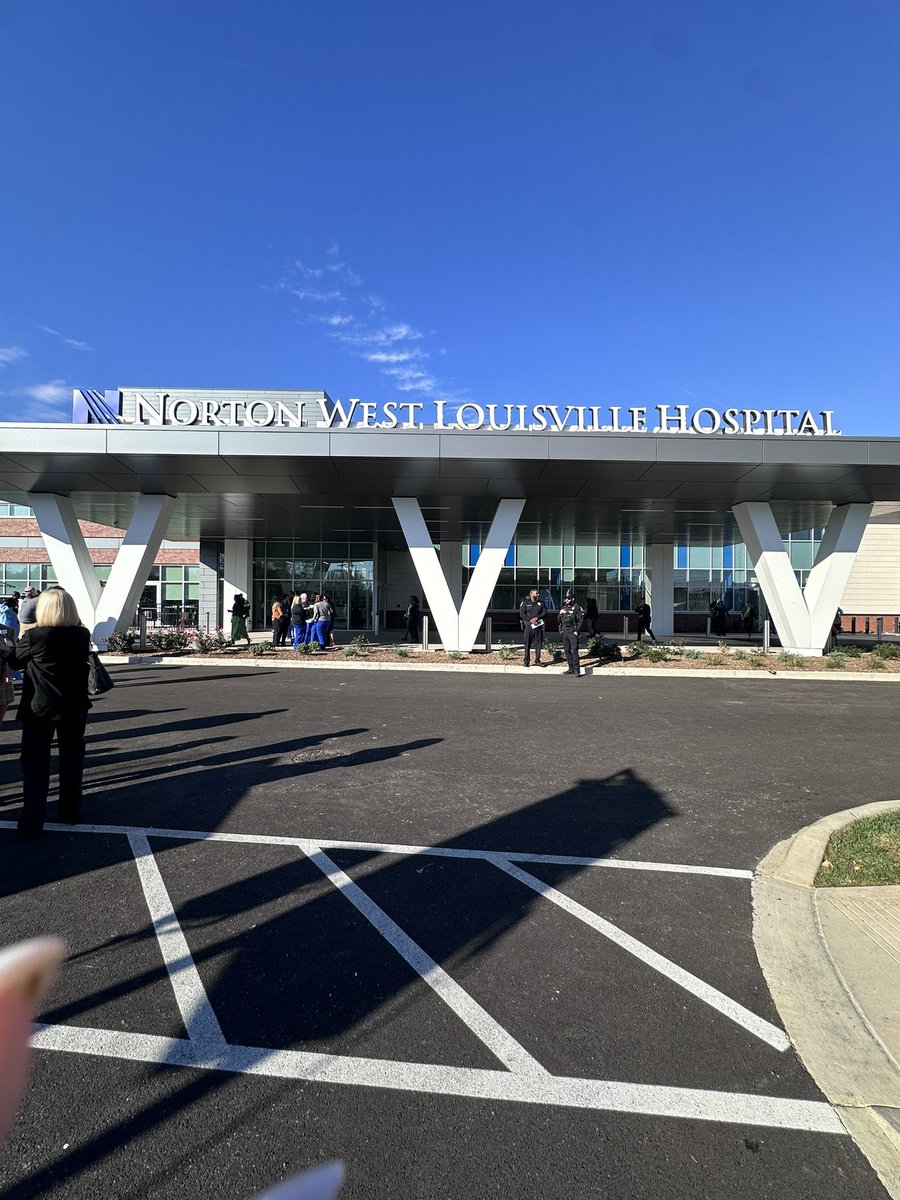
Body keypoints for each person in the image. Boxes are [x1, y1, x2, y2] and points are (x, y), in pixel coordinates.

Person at [10, 588, 91, 839]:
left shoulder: (36, 636)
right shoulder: (81, 634)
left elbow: (15, 661)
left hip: (40, 707)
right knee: (71, 758)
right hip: (75, 706)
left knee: (35, 763)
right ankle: (70, 812)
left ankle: (32, 821)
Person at [558, 592, 585, 677]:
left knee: (574, 651)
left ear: (572, 599)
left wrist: (577, 630)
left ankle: (577, 670)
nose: (567, 600)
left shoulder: (577, 607)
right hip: (565, 631)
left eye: (569, 598)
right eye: (566, 598)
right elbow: (559, 620)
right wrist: (560, 613)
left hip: (573, 631)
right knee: (567, 650)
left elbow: (581, 620)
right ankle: (570, 668)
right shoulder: (563, 607)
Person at [519, 587, 545, 667]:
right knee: (527, 644)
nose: (537, 594)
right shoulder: (526, 603)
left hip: (538, 626)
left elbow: (545, 612)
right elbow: (522, 614)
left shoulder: (541, 603)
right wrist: (530, 620)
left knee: (538, 644)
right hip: (528, 626)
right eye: (536, 593)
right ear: (531, 594)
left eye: (538, 593)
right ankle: (526, 661)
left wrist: (537, 618)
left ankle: (538, 660)